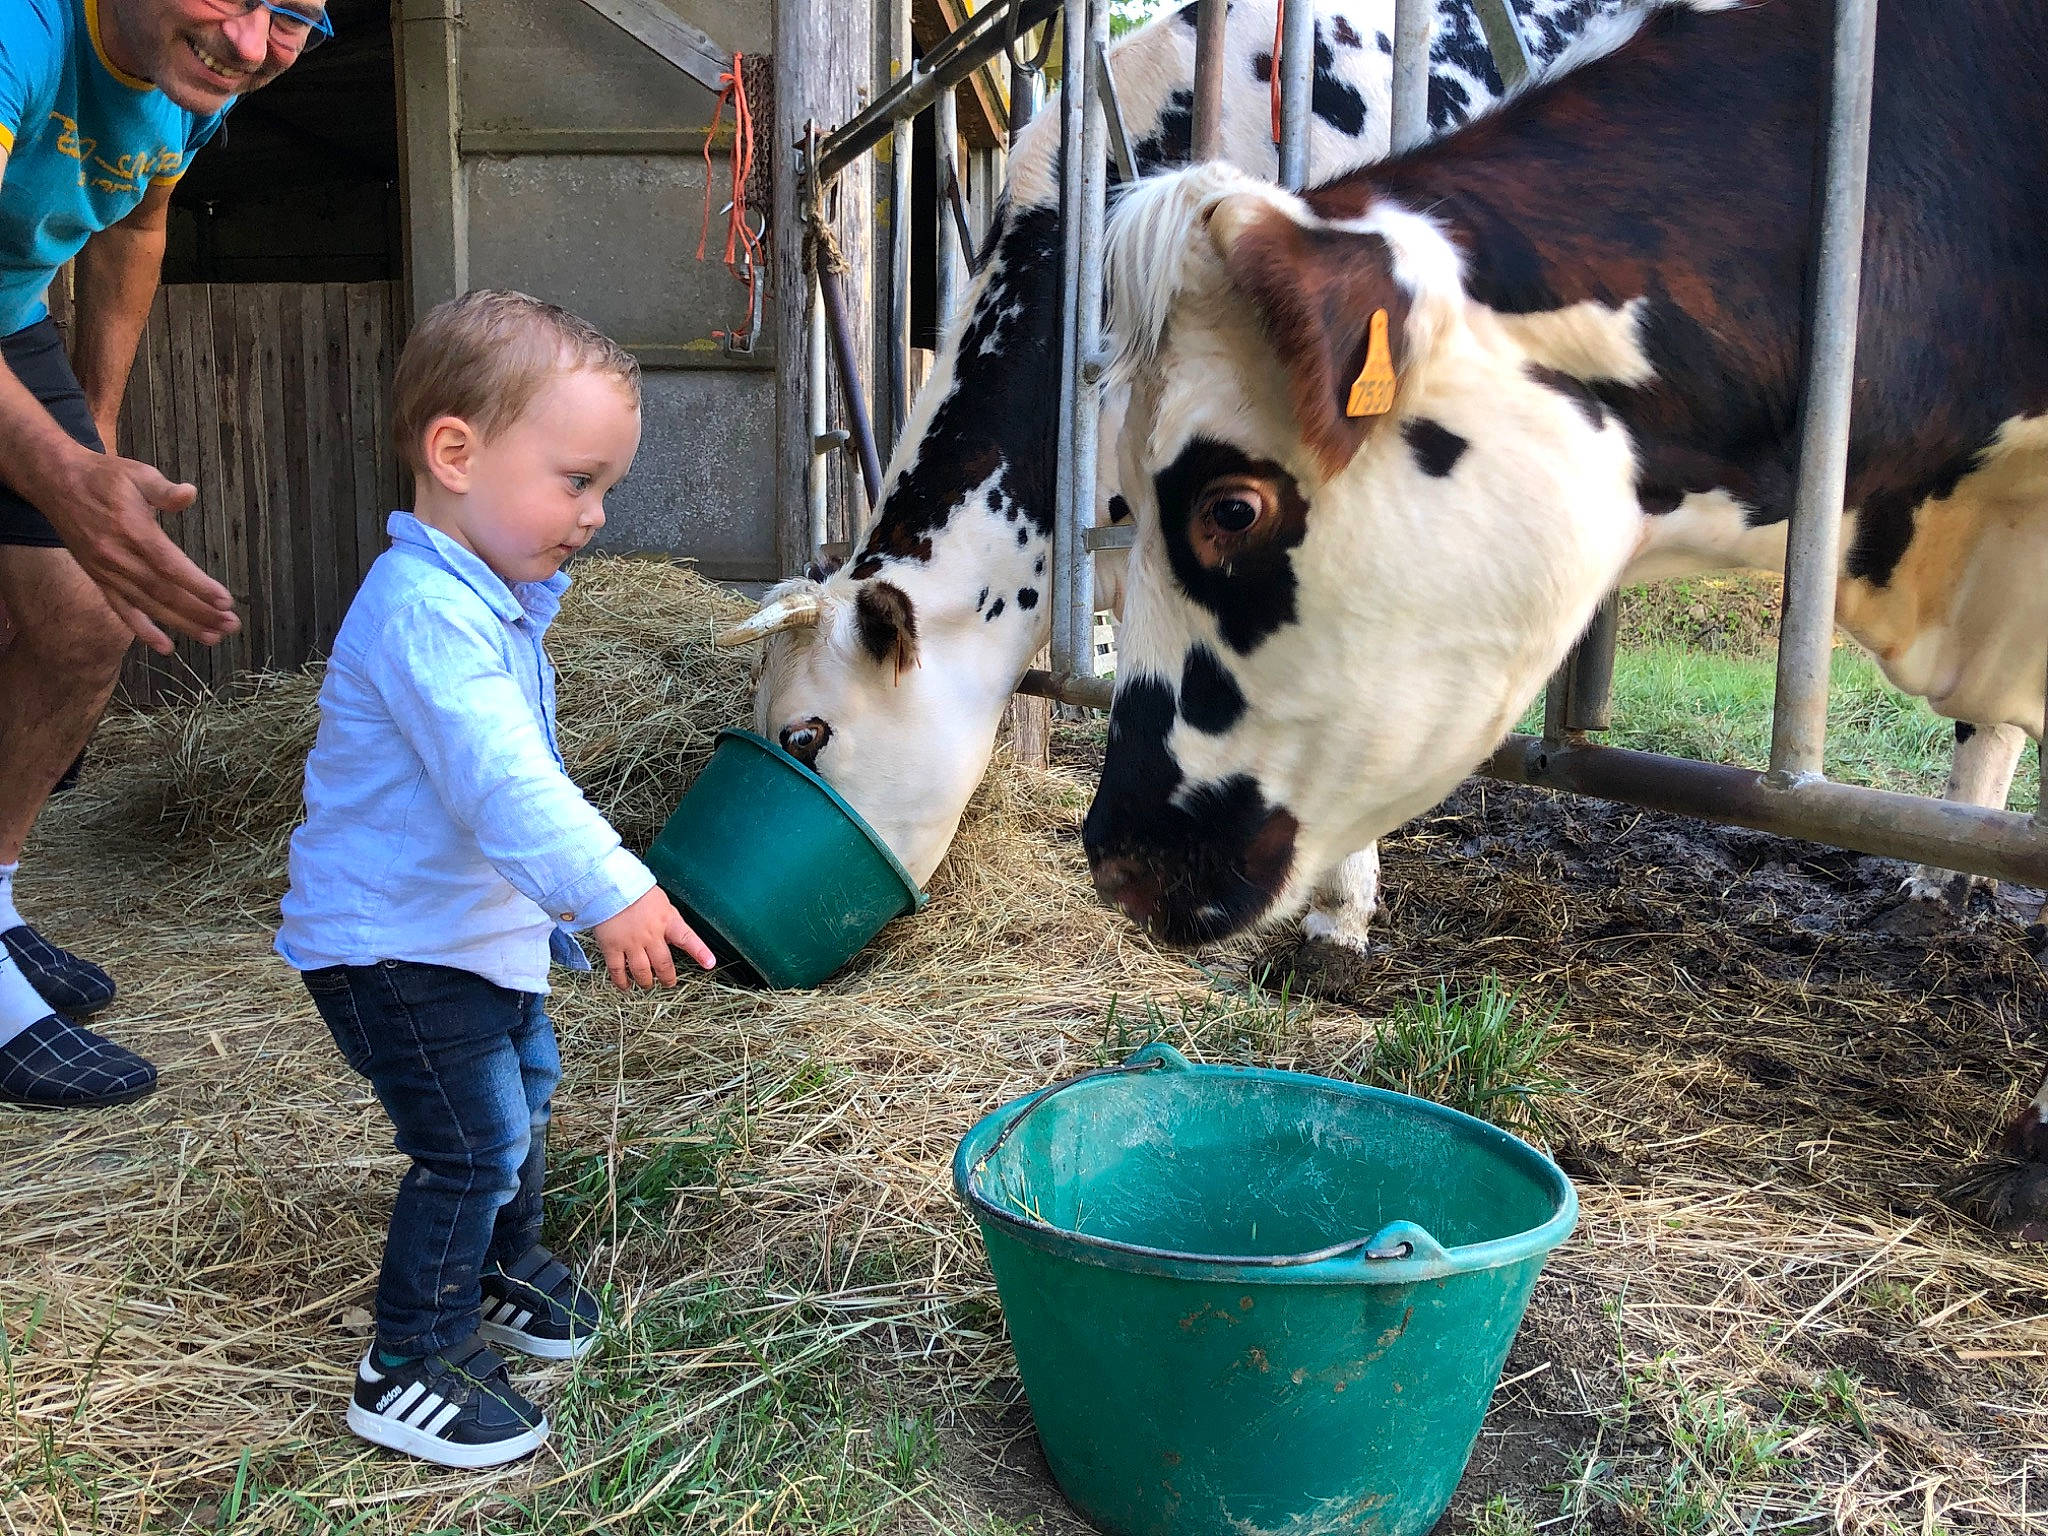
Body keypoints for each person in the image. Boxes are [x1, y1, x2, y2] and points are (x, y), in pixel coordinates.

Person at [275, 289, 718, 1468]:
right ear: (456, 453)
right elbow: (500, 783)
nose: (596, 514)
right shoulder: (426, 612)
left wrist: (555, 911)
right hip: (391, 947)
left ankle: (501, 1263)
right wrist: (607, 890)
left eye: (602, 487)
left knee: (521, 1088)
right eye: (576, 481)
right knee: (469, 1140)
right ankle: (408, 1360)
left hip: (464, 934)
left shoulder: (487, 603)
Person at [0, 0, 330, 1108]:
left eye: (294, 14)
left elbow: (136, 226)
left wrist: (89, 443)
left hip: (7, 322)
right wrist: (60, 479)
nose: (250, 43)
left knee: (82, 618)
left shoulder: (188, 80)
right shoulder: (20, 41)